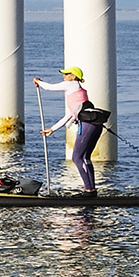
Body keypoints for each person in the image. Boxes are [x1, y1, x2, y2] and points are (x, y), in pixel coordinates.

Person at [34, 66, 101, 197]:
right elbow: (69, 115)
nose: (63, 76)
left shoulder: (72, 85)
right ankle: (91, 190)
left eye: (66, 74)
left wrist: (38, 81)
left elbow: (49, 88)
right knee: (85, 158)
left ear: (73, 76)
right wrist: (52, 129)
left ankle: (89, 191)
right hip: (94, 125)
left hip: (87, 125)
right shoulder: (78, 91)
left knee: (77, 157)